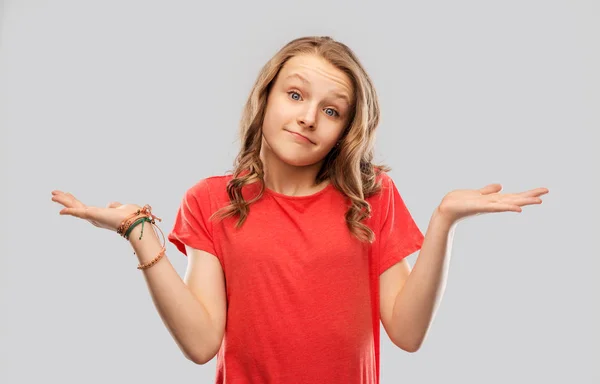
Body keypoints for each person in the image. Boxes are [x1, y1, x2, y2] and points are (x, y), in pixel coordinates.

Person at [51, 36, 549, 384]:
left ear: (345, 130)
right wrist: (139, 231)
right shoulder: (211, 200)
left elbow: (408, 332)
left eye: (331, 110)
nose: (309, 117)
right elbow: (202, 343)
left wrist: (444, 220)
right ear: (265, 98)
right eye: (295, 95)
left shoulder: (370, 197)